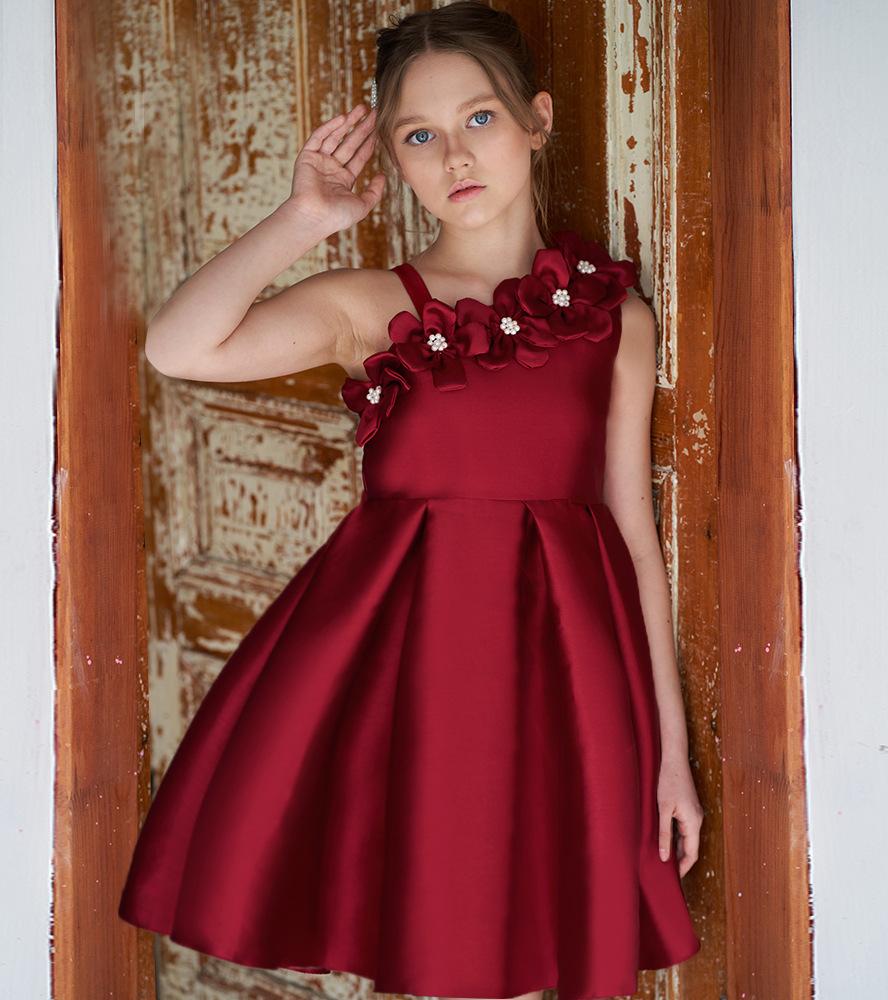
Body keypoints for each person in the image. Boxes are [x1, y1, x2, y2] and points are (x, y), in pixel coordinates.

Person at [118, 3, 703, 998]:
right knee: (435, 912)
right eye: (418, 136)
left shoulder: (616, 319)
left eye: (479, 118)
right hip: (408, 658)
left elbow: (635, 535)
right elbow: (179, 347)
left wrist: (670, 752)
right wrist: (304, 219)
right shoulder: (371, 306)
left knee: (544, 916)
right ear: (391, 158)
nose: (455, 155)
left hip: (566, 659)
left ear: (538, 120)